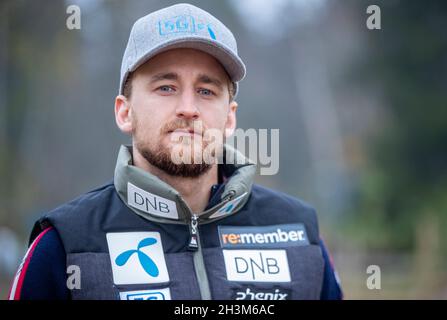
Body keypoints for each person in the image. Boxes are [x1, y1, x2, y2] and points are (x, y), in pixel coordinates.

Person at [9, 3, 342, 300]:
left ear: (230, 117)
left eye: (206, 90)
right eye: (165, 87)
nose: (188, 108)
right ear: (125, 112)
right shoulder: (65, 246)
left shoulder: (300, 236)